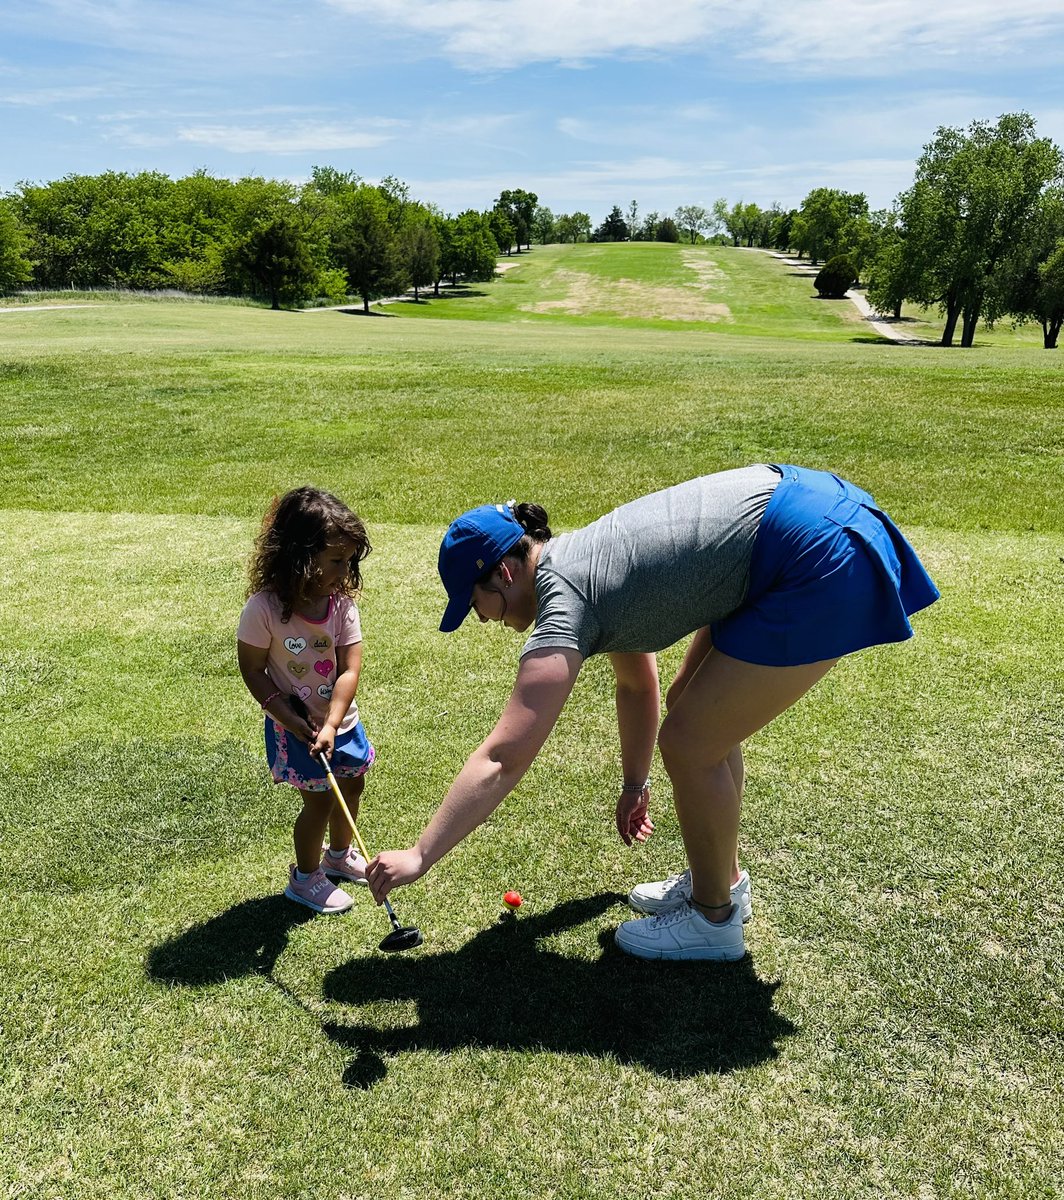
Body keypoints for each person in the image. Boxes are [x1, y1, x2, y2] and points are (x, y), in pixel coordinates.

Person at [366, 464, 939, 961]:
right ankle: (722, 881)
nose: (484, 620)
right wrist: (635, 783)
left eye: (475, 604)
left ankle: (713, 921)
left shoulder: (566, 602)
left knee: (693, 742)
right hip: (812, 509)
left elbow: (504, 756)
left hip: (813, 548)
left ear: (504, 573)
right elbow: (638, 685)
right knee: (695, 712)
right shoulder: (586, 562)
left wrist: (420, 855)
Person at [237, 486, 375, 915]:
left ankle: (338, 854)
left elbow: (349, 669)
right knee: (318, 800)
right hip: (294, 728)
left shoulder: (340, 606)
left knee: (352, 784)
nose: (345, 569)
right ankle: (306, 877)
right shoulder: (262, 610)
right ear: (300, 555)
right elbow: (253, 670)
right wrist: (286, 715)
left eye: (349, 560)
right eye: (336, 560)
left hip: (340, 723)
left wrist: (333, 723)